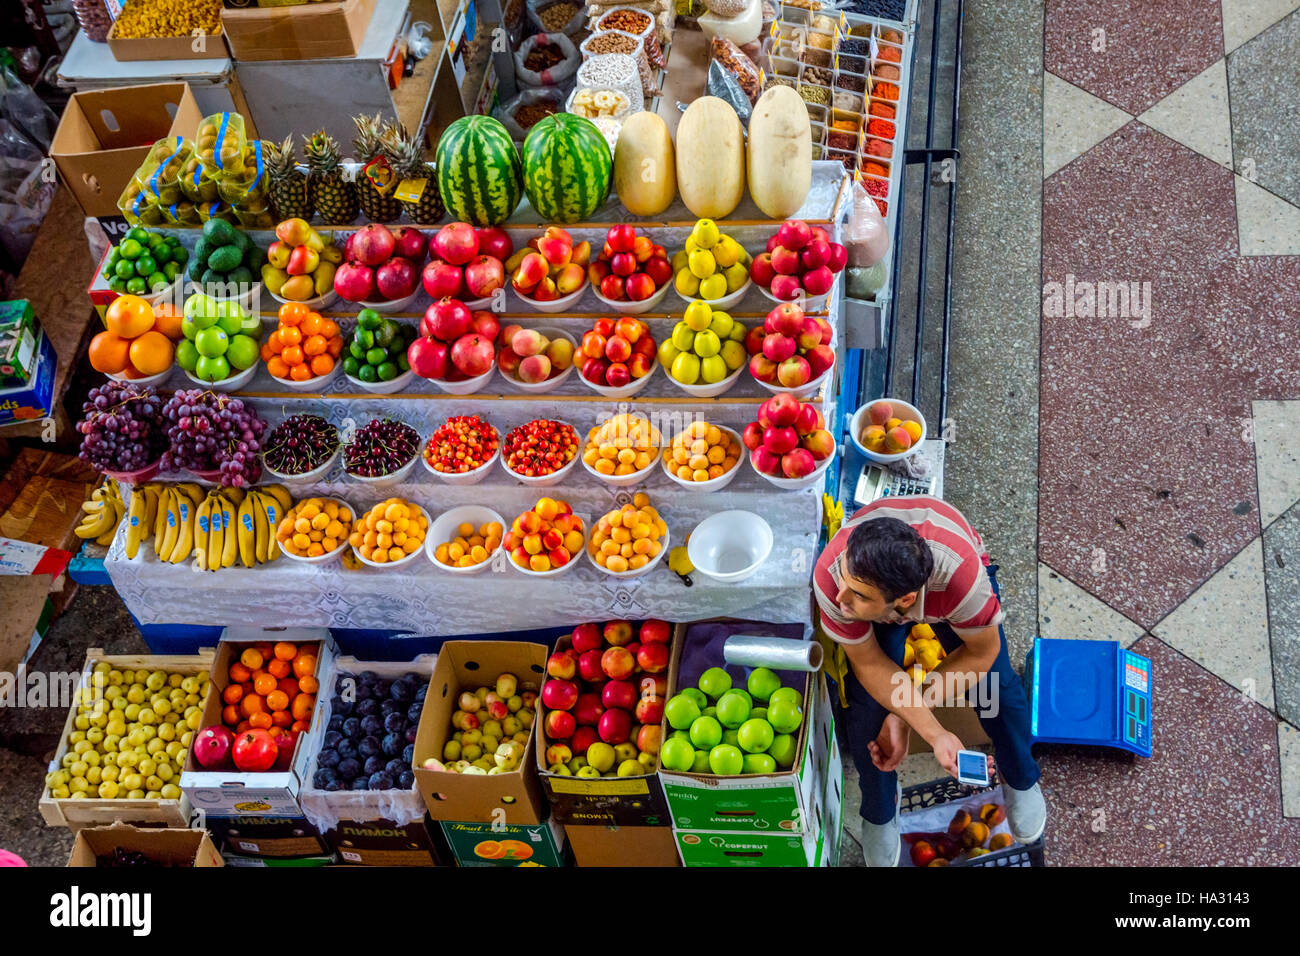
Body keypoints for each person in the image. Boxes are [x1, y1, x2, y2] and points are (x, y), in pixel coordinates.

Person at [813, 495, 1045, 866]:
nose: (840, 598)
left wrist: (909, 716)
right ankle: (880, 809)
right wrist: (930, 730)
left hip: (942, 587)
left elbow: (980, 653)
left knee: (995, 690)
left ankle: (1019, 776)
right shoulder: (833, 581)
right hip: (882, 601)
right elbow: (870, 664)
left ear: (904, 600)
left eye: (856, 595)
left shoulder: (962, 582)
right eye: (845, 579)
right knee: (866, 712)